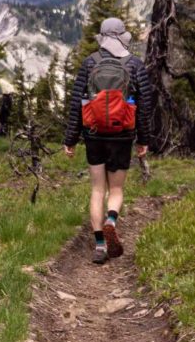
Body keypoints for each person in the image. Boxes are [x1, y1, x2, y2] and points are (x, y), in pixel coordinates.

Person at [63, 17, 152, 264]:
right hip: (122, 135)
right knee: (116, 189)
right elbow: (144, 107)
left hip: (94, 134)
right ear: (123, 37)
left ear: (102, 37)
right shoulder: (135, 64)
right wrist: (143, 139)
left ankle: (100, 245)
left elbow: (77, 104)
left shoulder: (90, 63)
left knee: (97, 189)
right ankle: (111, 220)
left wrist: (71, 139)